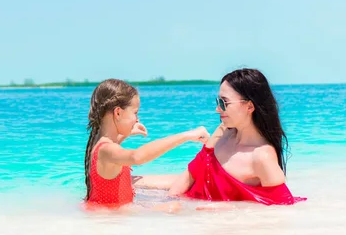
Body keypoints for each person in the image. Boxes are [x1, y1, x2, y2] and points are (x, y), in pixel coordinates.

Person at [135, 69, 306, 206]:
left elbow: (281, 208)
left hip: (212, 217)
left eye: (224, 103)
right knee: (127, 183)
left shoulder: (262, 156)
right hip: (189, 200)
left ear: (249, 106)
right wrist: (171, 201)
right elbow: (193, 172)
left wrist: (222, 208)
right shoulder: (223, 131)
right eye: (218, 102)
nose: (218, 109)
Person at [84, 78, 210, 209]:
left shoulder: (99, 143)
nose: (137, 119)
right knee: (174, 206)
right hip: (114, 219)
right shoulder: (106, 150)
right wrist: (187, 135)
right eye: (135, 113)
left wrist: (126, 133)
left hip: (113, 212)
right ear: (118, 113)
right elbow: (136, 157)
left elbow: (112, 143)